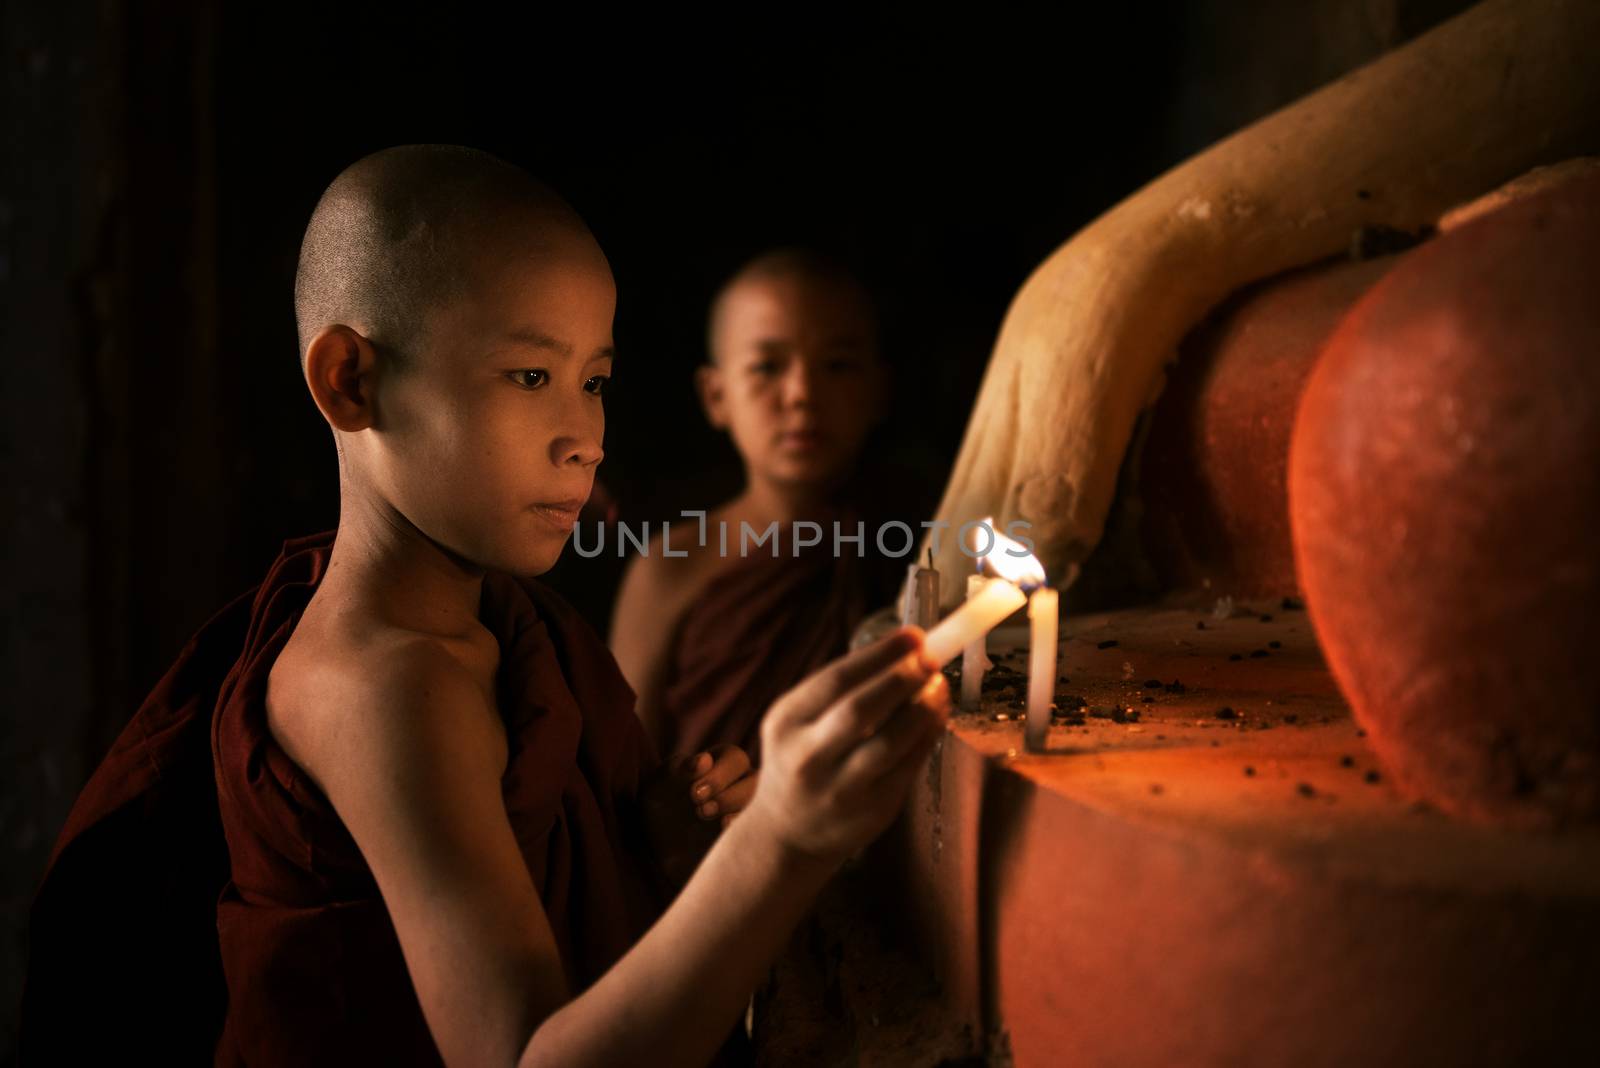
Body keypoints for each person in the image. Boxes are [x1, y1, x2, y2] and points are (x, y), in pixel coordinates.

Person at [23, 145, 948, 1068]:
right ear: (352, 380)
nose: (584, 440)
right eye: (530, 377)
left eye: (594, 382)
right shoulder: (386, 687)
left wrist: (654, 848)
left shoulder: (500, 623)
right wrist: (782, 841)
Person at [610, 250, 907, 767]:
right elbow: (617, 770)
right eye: (767, 367)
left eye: (837, 365)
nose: (801, 394)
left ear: (879, 390)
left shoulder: (918, 547)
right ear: (716, 396)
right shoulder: (672, 566)